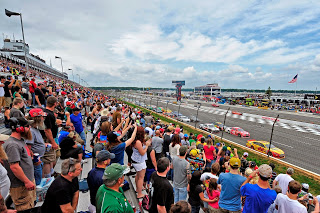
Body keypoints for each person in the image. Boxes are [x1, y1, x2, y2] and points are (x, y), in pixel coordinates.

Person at [3, 117, 35, 212]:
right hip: (21, 186)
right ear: (19, 128)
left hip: (26, 185)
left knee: (30, 207)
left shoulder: (19, 141)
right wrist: (27, 181)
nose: (29, 128)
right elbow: (14, 167)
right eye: (27, 126)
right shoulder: (12, 144)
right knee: (24, 209)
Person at [25, 108, 47, 186]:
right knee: (37, 183)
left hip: (39, 161)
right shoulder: (31, 131)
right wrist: (34, 160)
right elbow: (28, 148)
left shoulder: (35, 129)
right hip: (35, 162)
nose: (43, 119)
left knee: (40, 180)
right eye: (42, 117)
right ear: (37, 118)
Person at [131, 126, 151, 198]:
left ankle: (138, 188)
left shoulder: (135, 140)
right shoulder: (138, 142)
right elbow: (142, 152)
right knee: (141, 177)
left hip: (136, 160)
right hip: (139, 161)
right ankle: (139, 193)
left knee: (138, 175)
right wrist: (147, 146)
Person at [43, 96, 60, 178]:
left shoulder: (44, 112)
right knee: (48, 159)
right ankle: (48, 178)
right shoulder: (49, 114)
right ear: (55, 104)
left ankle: (51, 173)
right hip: (48, 140)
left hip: (47, 139)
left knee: (50, 159)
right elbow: (47, 130)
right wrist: (53, 142)